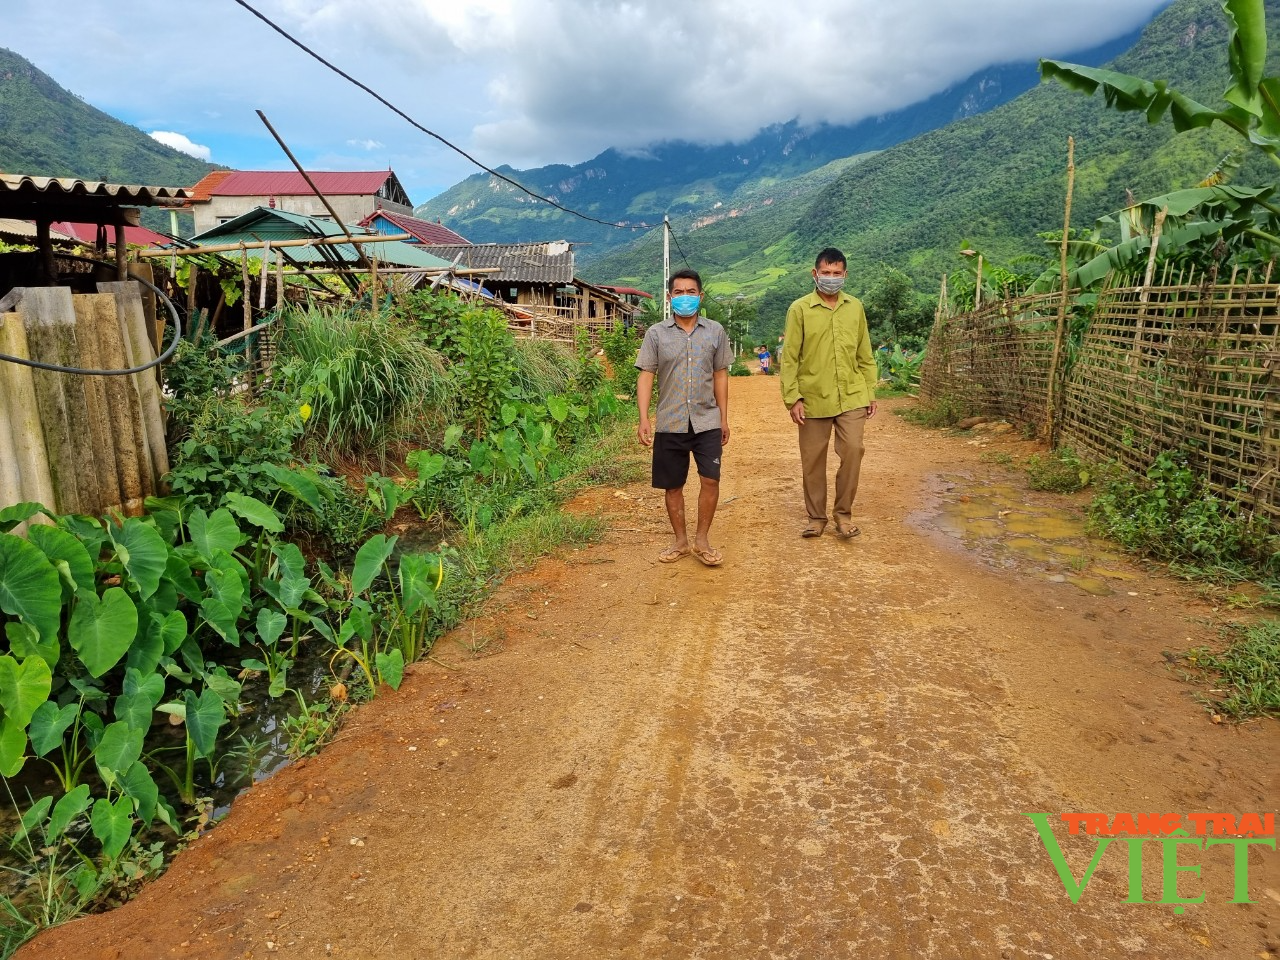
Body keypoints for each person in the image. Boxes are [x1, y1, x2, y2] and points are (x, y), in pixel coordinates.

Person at [780, 247, 878, 539]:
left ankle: (843, 515)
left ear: (845, 275)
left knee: (853, 451)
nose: (831, 278)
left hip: (852, 394)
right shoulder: (799, 309)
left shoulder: (855, 307)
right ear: (815, 274)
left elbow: (865, 352)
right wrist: (792, 397)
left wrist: (870, 391)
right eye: (826, 273)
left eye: (837, 274)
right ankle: (816, 518)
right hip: (813, 397)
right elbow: (790, 358)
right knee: (812, 458)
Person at [636, 269, 732, 567]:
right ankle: (680, 541)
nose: (685, 297)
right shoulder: (656, 334)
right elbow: (646, 376)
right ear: (670, 297)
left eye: (691, 292)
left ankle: (701, 540)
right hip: (671, 421)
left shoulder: (715, 332)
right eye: (679, 292)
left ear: (700, 296)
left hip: (707, 421)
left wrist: (724, 418)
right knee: (673, 485)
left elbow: (721, 376)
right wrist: (643, 418)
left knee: (710, 480)